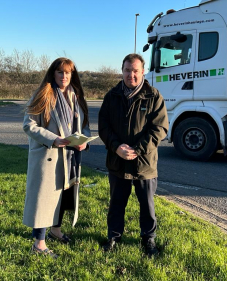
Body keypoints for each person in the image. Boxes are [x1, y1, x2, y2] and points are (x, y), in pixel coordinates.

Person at [98, 54, 169, 256]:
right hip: (117, 160)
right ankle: (113, 237)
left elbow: (160, 129)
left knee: (147, 205)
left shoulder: (154, 96)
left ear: (142, 72)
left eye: (135, 70)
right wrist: (116, 147)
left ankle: (149, 239)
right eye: (127, 70)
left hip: (144, 163)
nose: (131, 75)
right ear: (122, 71)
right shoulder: (111, 96)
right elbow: (104, 127)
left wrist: (137, 149)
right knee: (116, 203)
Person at [23, 57, 90, 258]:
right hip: (48, 155)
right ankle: (39, 244)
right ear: (53, 73)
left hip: (70, 156)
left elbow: (83, 124)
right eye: (60, 72)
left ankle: (56, 230)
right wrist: (53, 139)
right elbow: (29, 125)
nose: (64, 76)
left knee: (63, 195)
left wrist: (84, 140)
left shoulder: (75, 96)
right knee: (44, 199)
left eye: (68, 72)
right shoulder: (43, 94)